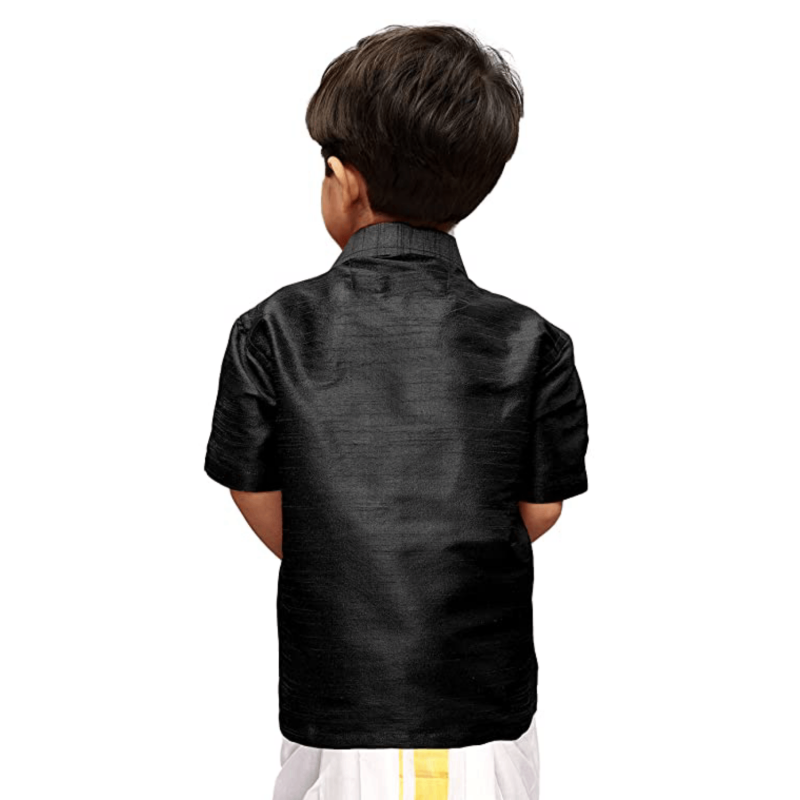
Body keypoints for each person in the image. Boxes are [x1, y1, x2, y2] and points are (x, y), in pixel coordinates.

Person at [204, 23, 589, 800]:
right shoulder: (532, 341)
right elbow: (540, 508)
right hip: (476, 700)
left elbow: (254, 489)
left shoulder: (271, 331)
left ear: (343, 180)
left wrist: (344, 547)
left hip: (333, 696)